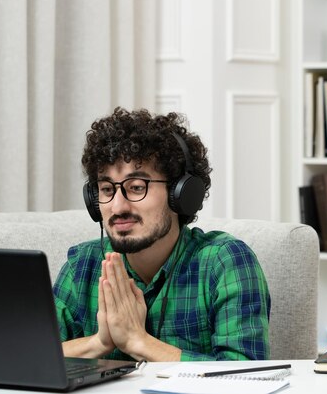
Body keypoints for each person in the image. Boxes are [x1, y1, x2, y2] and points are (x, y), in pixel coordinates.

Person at [52, 107, 270, 362]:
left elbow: (246, 378)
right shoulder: (82, 266)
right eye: (107, 189)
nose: (118, 207)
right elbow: (27, 357)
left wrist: (138, 341)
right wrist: (99, 342)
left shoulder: (225, 262)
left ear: (181, 194)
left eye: (136, 187)